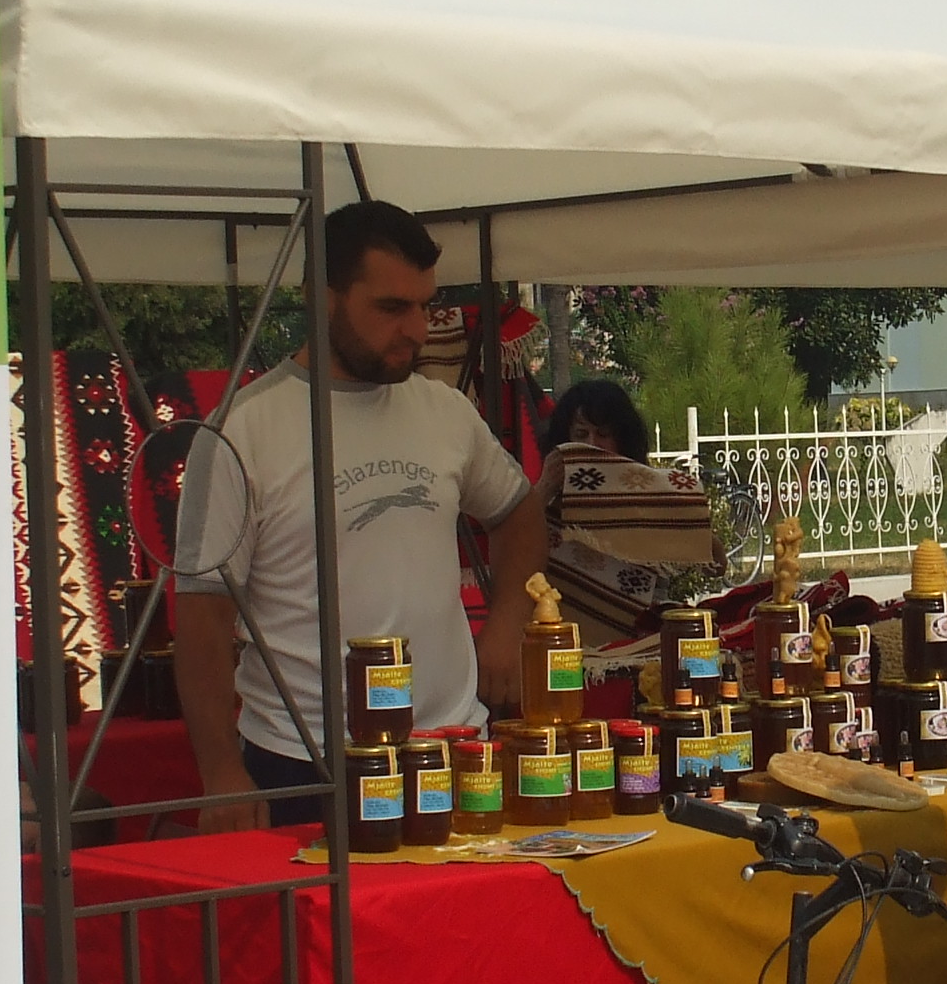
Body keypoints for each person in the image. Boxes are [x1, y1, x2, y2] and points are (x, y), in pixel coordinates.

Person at [174, 200, 550, 830]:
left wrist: (509, 619)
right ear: (321, 298)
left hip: (452, 748)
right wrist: (221, 773)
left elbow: (519, 514)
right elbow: (203, 619)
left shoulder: (445, 413)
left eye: (425, 306)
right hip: (308, 761)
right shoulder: (242, 432)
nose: (417, 330)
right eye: (391, 308)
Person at [547, 378, 650, 464]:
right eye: (581, 435)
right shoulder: (548, 486)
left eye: (603, 434)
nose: (592, 444)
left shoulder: (654, 487)